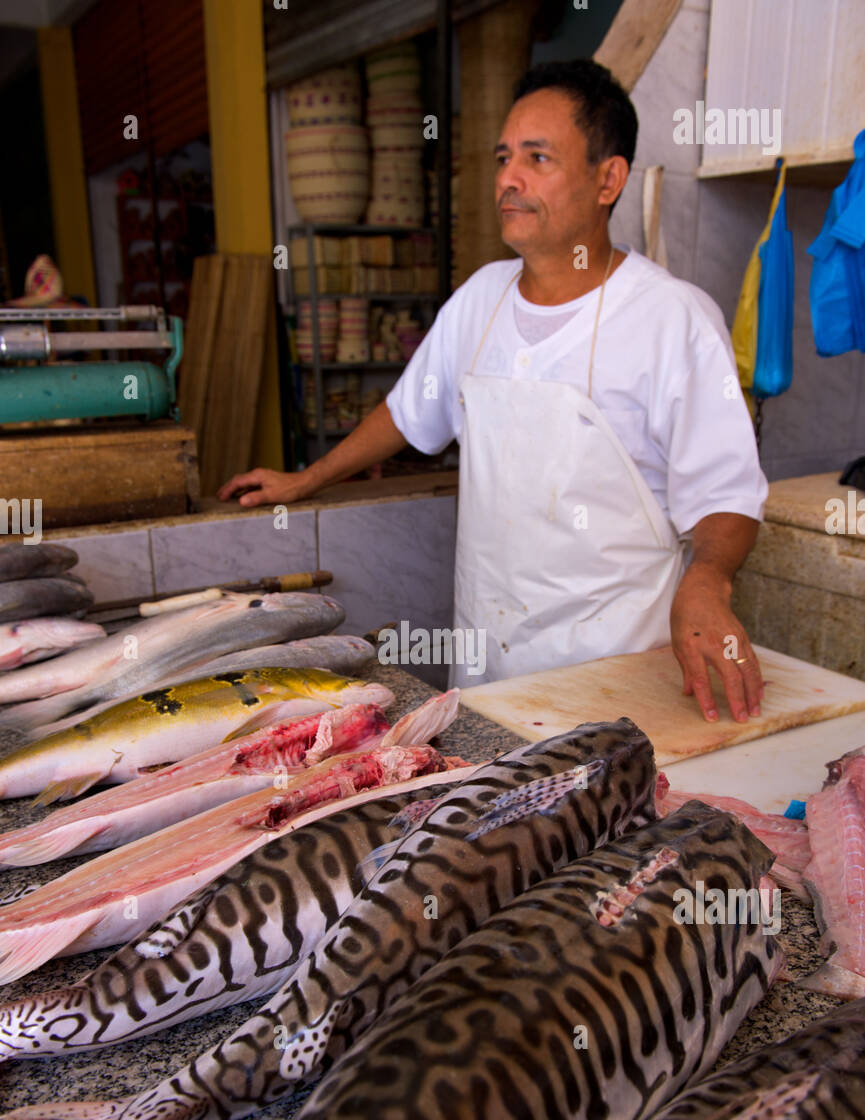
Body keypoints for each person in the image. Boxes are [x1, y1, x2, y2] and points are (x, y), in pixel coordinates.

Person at [220, 59, 768, 723]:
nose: (508, 179)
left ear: (608, 178)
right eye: (504, 157)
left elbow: (726, 495)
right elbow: (407, 411)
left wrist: (707, 580)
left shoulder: (671, 319)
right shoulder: (480, 298)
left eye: (537, 158)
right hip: (492, 667)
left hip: (615, 673)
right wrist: (308, 478)